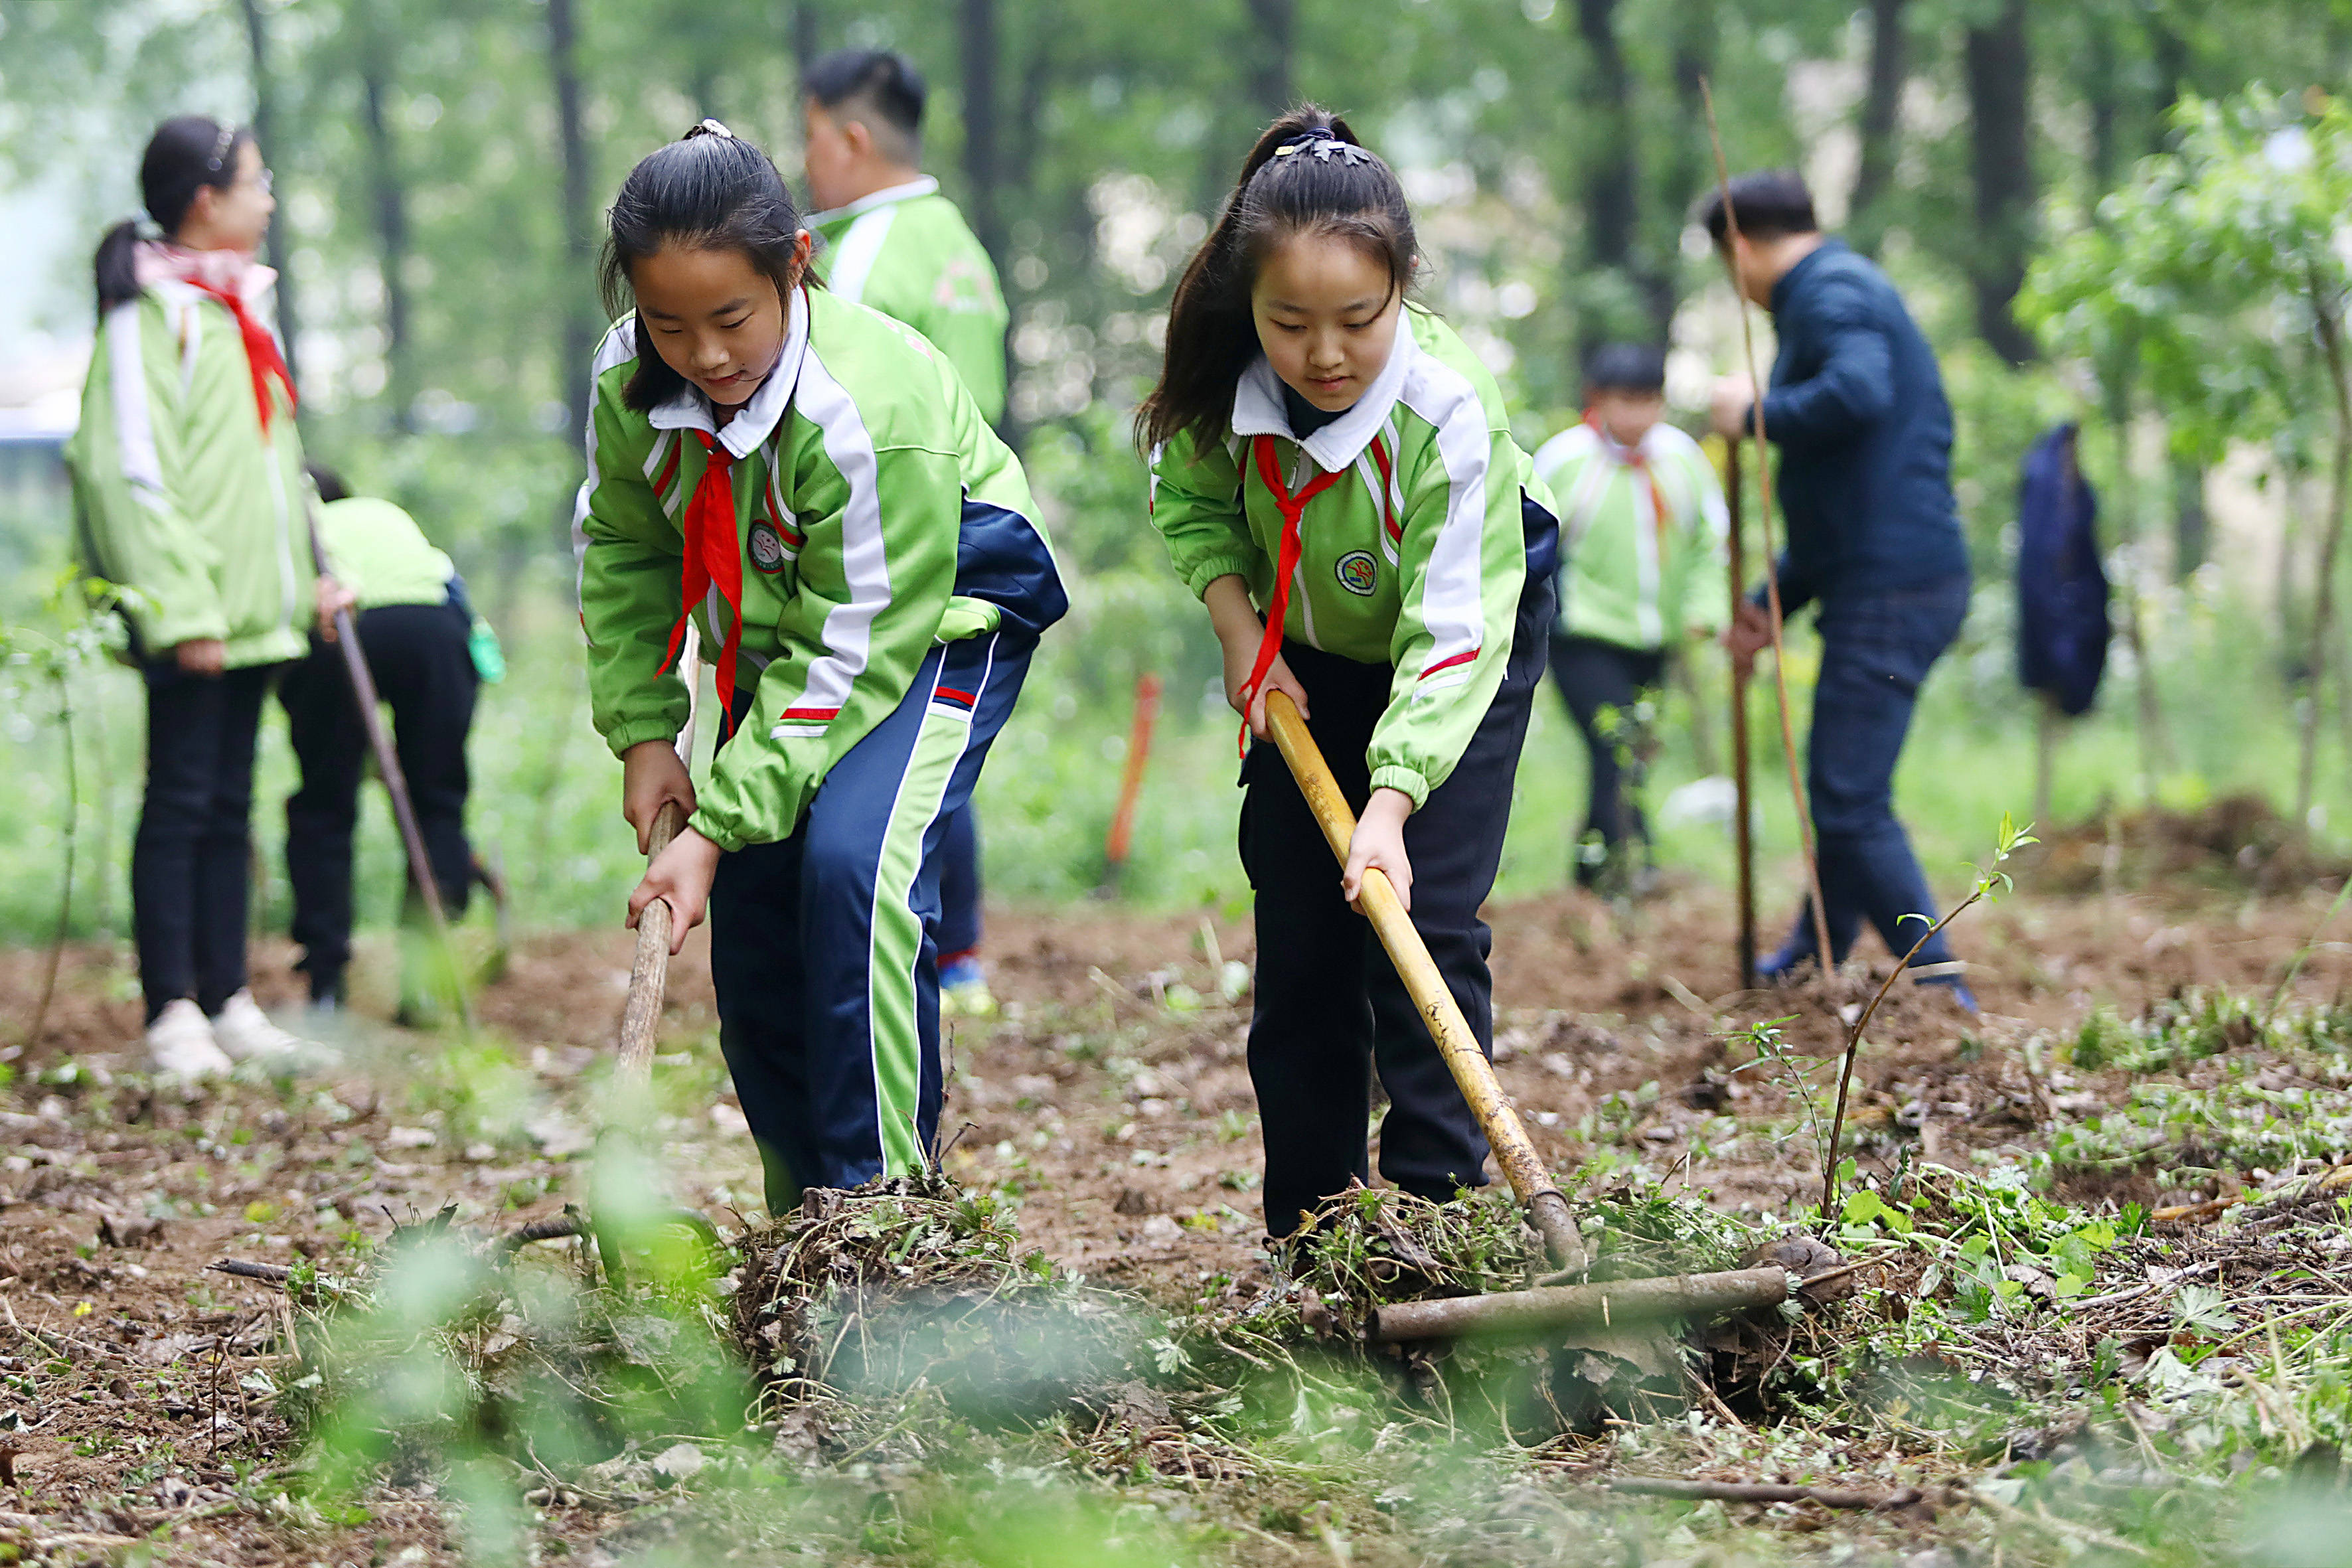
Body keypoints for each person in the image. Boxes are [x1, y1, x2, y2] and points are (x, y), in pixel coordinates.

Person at [576, 122, 1065, 1214]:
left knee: (855, 869)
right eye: (668, 324)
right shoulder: (628, 380)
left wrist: (709, 825)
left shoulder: (867, 408)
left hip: (935, 620)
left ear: (794, 261)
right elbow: (625, 549)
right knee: (755, 920)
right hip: (788, 629)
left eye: (731, 319)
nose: (703, 355)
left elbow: (855, 645)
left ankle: (881, 1218)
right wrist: (649, 733)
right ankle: (806, 1228)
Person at [1141, 108, 1559, 1243]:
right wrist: (1242, 631)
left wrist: (1389, 803)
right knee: (1300, 923)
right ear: (1251, 308)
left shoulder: (1446, 411)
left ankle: (1431, 1219)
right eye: (1290, 323)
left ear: (1403, 288)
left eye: (1356, 321)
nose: (1323, 354)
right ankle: (1313, 1232)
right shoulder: (1225, 378)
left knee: (1416, 914)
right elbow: (1185, 503)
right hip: (1304, 645)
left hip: (1462, 631)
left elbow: (1452, 632)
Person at [66, 115, 341, 1075]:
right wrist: (180, 612)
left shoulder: (235, 309)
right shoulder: (150, 314)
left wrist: (315, 568)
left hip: (253, 611)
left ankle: (227, 999)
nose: (267, 201)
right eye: (256, 184)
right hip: (196, 618)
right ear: (204, 200)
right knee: (180, 800)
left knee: (230, 801)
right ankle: (171, 1008)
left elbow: (274, 463)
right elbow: (126, 474)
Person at [1701, 169, 1975, 1010]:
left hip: (1895, 586)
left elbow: (1859, 394)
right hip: (1883, 575)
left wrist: (1755, 413)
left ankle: (1941, 986)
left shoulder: (1830, 292)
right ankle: (1812, 949)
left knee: (1849, 798)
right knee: (1843, 787)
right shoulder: (1832, 292)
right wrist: (1770, 598)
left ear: (1740, 245)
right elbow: (1847, 502)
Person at [802, 49, 1011, 1016]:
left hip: (897, 523)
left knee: (887, 740)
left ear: (850, 136)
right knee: (936, 732)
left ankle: (918, 949)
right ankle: (957, 949)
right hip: (979, 513)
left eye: (807, 137)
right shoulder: (956, 242)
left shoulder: (863, 249)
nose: (804, 162)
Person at [281, 465, 497, 1018]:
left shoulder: (293, 524)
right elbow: (462, 607)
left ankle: (326, 985)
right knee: (437, 806)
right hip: (433, 628)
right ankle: (424, 985)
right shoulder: (387, 516)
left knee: (324, 807)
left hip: (343, 626)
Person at [1531, 343, 1728, 894]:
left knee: (1632, 752)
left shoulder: (1682, 460)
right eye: (1626, 401)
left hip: (1655, 639)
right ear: (1597, 400)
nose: (1638, 416)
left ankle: (1592, 869)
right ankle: (1636, 866)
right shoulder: (1563, 461)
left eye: (1649, 401)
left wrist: (1703, 610)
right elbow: (1528, 542)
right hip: (1581, 634)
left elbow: (1710, 543)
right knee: (1615, 745)